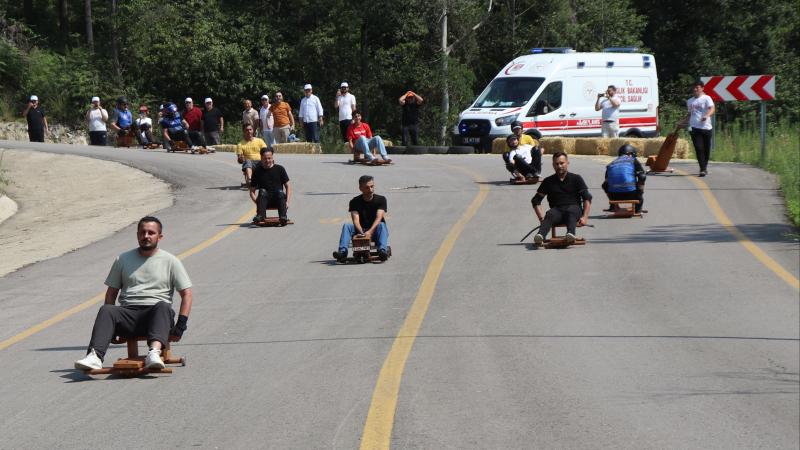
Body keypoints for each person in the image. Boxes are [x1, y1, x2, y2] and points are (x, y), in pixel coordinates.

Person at [74, 216, 193, 371]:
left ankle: (154, 353)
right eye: (142, 232)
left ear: (160, 236)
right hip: (128, 315)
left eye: (151, 233)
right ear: (137, 235)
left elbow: (187, 294)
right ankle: (95, 356)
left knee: (163, 306)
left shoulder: (171, 261)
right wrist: (110, 330)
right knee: (107, 310)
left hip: (156, 317)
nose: (146, 236)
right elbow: (111, 293)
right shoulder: (122, 259)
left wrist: (181, 326)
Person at [531, 152, 592, 246]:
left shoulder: (576, 178)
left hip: (574, 210)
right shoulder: (548, 181)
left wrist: (585, 217)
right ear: (553, 165)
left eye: (562, 163)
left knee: (570, 211)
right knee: (550, 214)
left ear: (567, 163)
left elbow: (587, 198)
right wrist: (541, 218)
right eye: (556, 164)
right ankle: (540, 236)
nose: (559, 166)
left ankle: (570, 234)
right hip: (557, 211)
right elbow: (536, 200)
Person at [332, 175, 390, 263]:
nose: (370, 190)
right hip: (361, 230)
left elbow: (379, 218)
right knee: (347, 226)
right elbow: (355, 220)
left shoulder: (381, 199)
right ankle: (342, 252)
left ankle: (382, 251)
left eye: (372, 186)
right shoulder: (354, 202)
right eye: (367, 187)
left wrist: (369, 232)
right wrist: (362, 233)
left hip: (375, 230)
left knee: (381, 224)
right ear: (360, 188)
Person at [681, 80, 716, 176]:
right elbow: (690, 114)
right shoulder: (689, 101)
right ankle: (703, 169)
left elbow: (712, 108)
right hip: (694, 128)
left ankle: (704, 167)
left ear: (702, 88)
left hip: (706, 127)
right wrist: (682, 122)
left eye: (697, 87)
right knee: (699, 148)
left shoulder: (706, 98)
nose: (695, 89)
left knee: (706, 149)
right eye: (694, 87)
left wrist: (706, 115)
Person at [249, 147, 291, 226]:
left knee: (280, 192)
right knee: (262, 191)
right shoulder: (257, 171)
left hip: (278, 200)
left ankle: (283, 217)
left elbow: (288, 186)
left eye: (269, 158)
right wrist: (257, 202)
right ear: (261, 158)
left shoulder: (280, 169)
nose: (267, 161)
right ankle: (260, 216)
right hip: (264, 201)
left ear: (272, 158)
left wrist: (287, 202)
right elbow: (252, 191)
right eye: (265, 158)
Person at [602, 144, 646, 213]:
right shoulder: (633, 160)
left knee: (605, 185)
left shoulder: (611, 164)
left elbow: (606, 182)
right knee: (642, 177)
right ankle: (638, 208)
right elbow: (642, 176)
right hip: (631, 194)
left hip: (614, 196)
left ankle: (613, 205)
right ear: (629, 153)